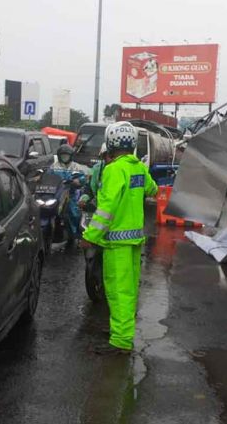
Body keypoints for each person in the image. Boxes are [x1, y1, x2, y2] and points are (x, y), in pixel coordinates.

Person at [81, 122, 158, 355]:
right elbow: (152, 189)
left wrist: (90, 236)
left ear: (111, 143)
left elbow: (106, 208)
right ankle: (121, 331)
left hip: (116, 242)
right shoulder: (138, 168)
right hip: (134, 240)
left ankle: (121, 341)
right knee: (129, 290)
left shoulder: (114, 170)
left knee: (117, 292)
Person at [50, 144, 88, 245]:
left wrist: (77, 181)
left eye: (67, 155)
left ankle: (74, 235)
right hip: (57, 193)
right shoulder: (54, 166)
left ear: (71, 156)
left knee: (74, 213)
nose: (65, 157)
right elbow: (48, 176)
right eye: (63, 155)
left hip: (72, 194)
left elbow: (83, 178)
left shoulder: (76, 166)